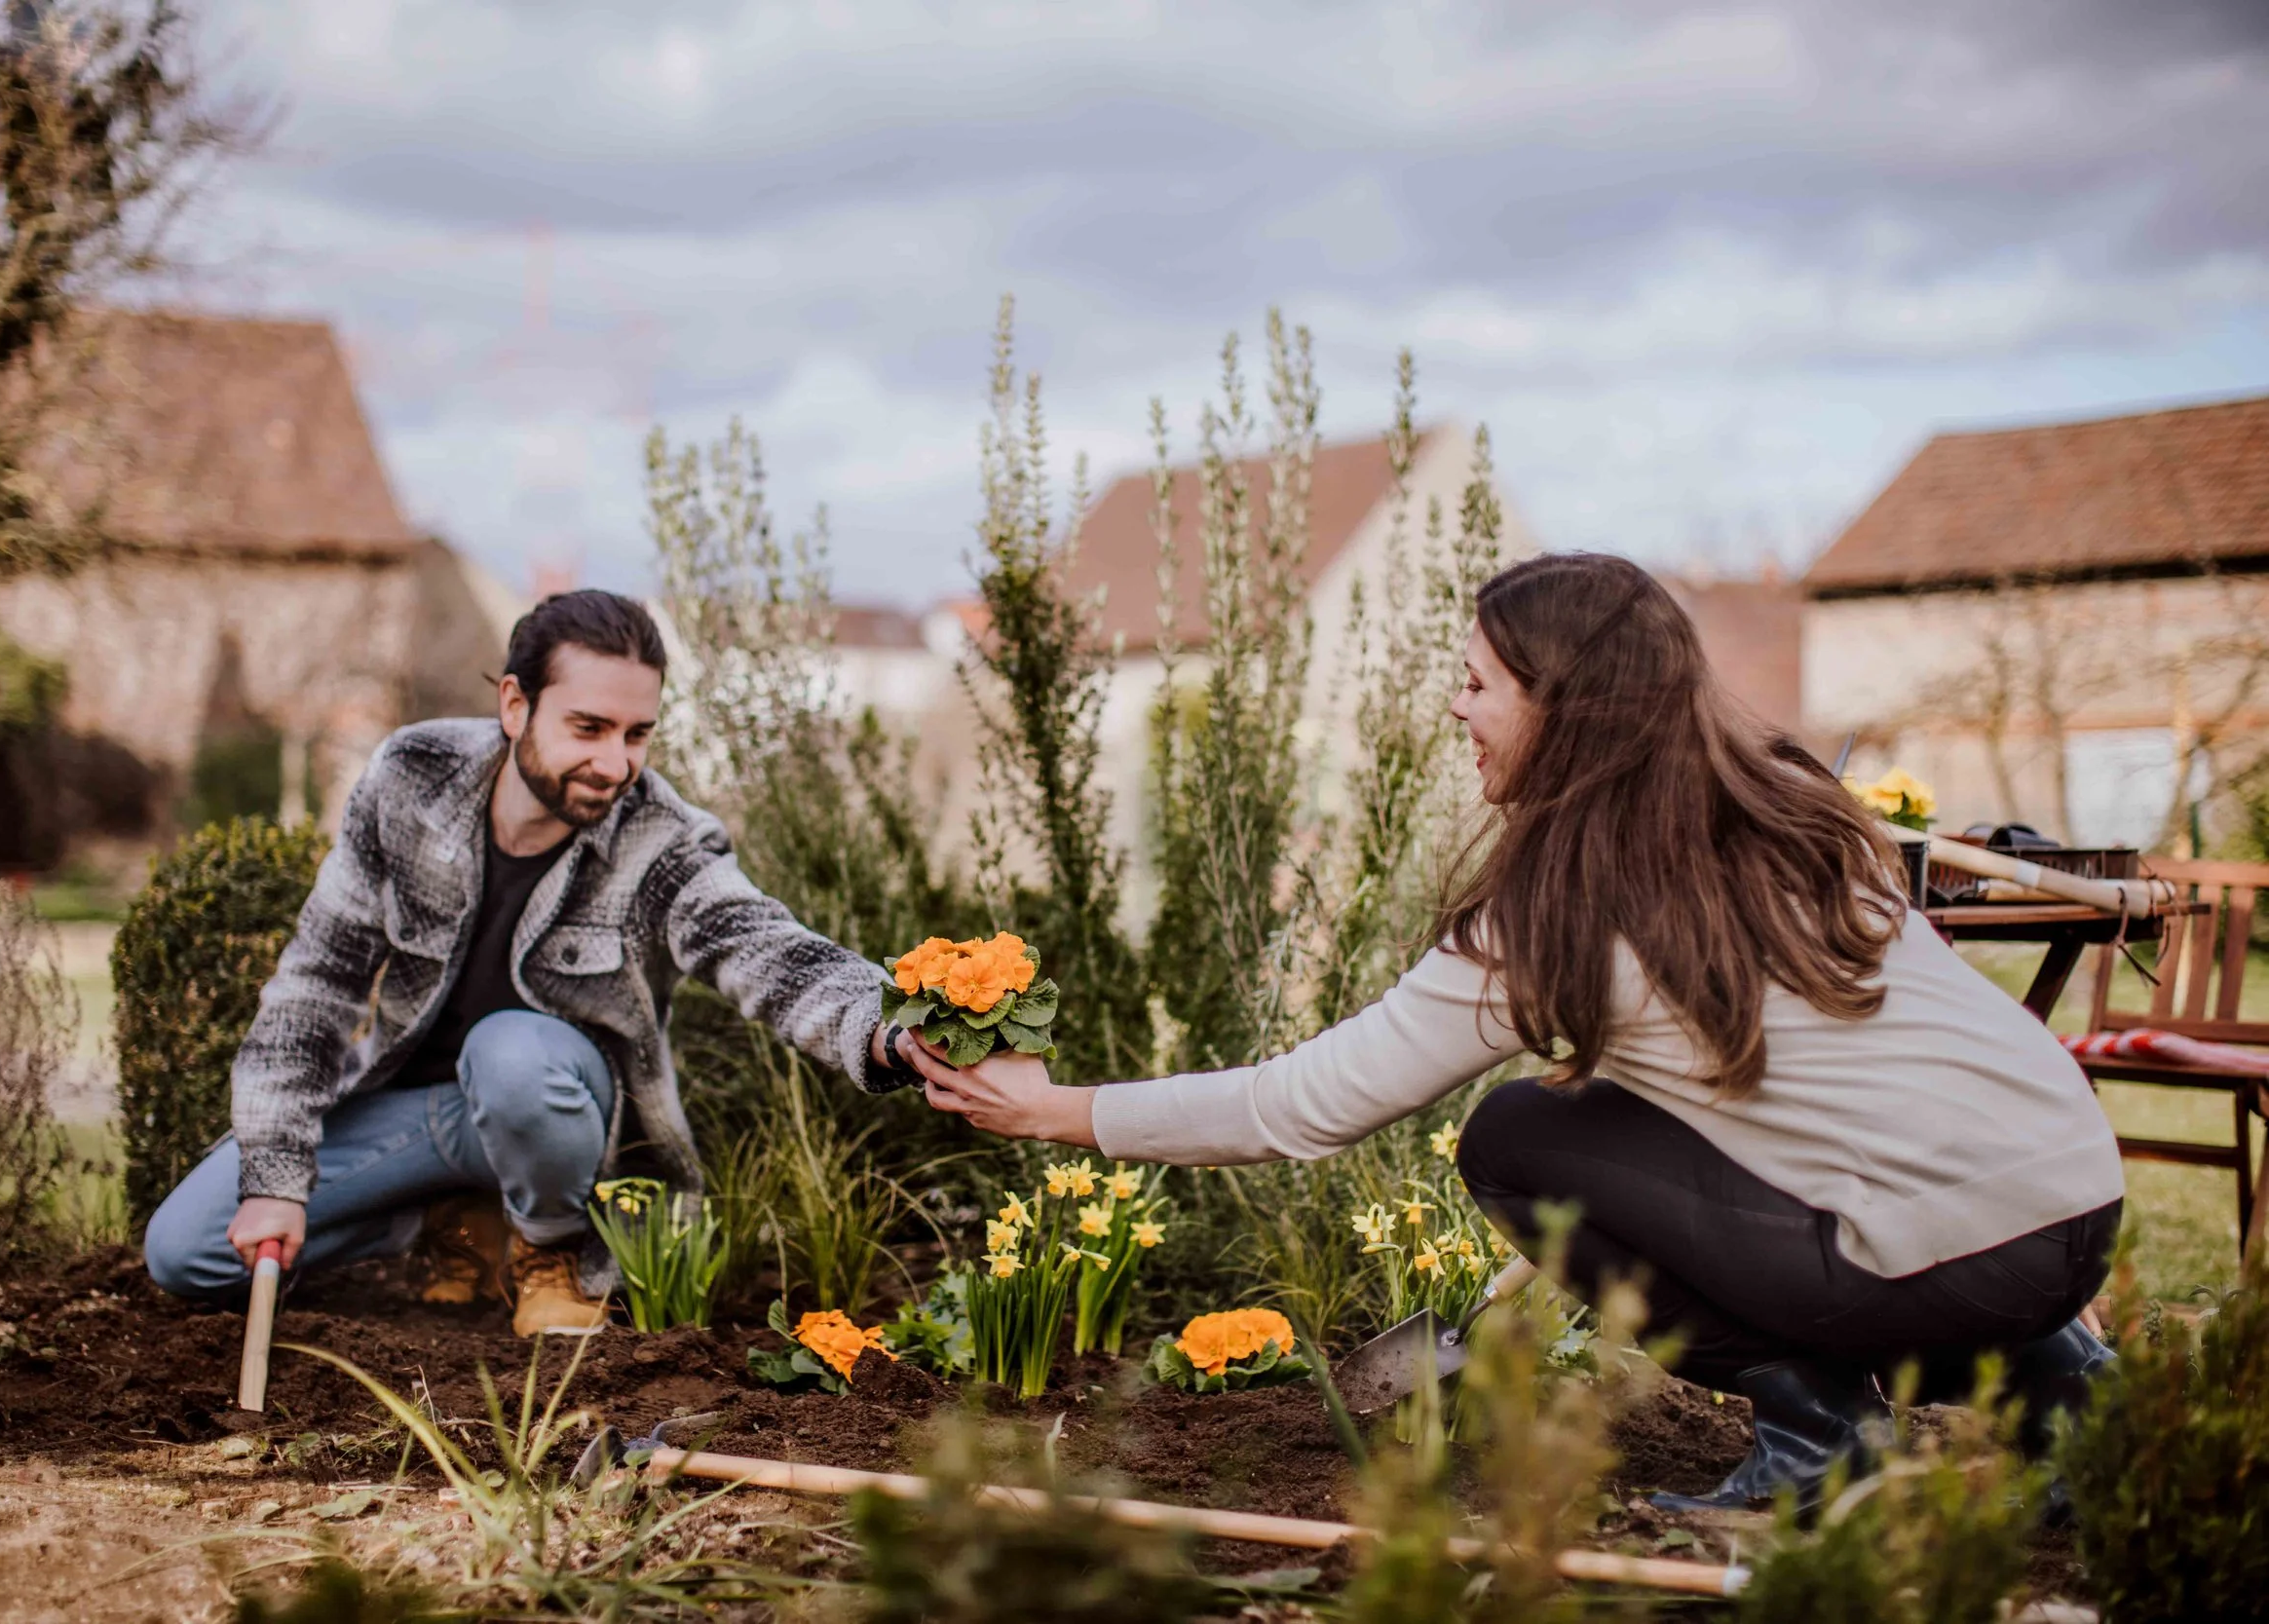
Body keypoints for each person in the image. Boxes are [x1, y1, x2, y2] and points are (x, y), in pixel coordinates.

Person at [904, 552, 2122, 1513]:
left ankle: (1820, 1444)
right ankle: (2063, 1384)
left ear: (1565, 705)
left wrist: (1057, 1107)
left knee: (1518, 1139)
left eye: (1480, 679)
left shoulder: (1552, 910)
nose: (1456, 703)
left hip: (1952, 1251)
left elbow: (1305, 1103)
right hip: (2075, 1205)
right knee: (1594, 1119)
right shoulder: (1792, 806)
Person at [144, 589, 925, 1335]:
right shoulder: (411, 779)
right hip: (425, 1115)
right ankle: (451, 1224)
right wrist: (277, 1183)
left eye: (636, 733)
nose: (617, 763)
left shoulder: (659, 838)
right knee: (188, 1250)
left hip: (560, 1122)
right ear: (515, 705)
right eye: (588, 727)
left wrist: (891, 1029)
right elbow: (316, 986)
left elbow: (769, 949)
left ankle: (550, 1249)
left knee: (513, 1052)